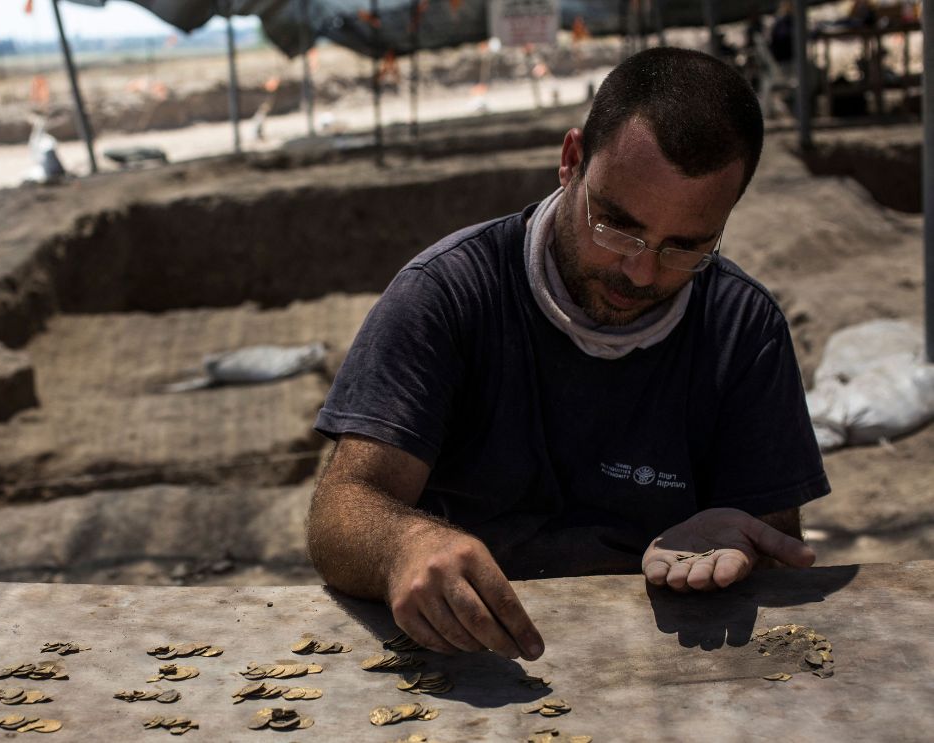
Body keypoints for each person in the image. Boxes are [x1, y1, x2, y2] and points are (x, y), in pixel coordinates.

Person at [307, 47, 829, 662]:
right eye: (616, 227)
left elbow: (776, 540)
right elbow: (341, 509)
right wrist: (405, 546)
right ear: (571, 161)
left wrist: (742, 551)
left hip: (663, 656)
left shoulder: (742, 327)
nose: (639, 271)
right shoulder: (447, 294)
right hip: (469, 652)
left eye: (684, 248)